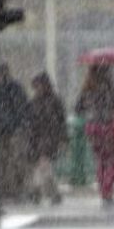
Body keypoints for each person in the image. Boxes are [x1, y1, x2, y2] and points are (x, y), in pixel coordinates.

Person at [74, 65, 114, 208]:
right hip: (108, 127)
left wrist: (91, 113)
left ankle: (103, 190)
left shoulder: (87, 89)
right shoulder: (109, 89)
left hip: (93, 129)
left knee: (100, 160)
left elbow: (77, 109)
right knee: (112, 160)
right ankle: (108, 190)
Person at [27, 72, 67, 204]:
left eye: (38, 85)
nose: (36, 89)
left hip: (49, 139)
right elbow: (31, 122)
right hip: (39, 139)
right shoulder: (35, 102)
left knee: (43, 165)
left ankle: (37, 191)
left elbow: (61, 121)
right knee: (43, 167)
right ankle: (50, 193)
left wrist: (62, 138)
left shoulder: (53, 101)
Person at [0, 63, 30, 199]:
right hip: (6, 130)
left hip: (12, 130)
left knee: (14, 161)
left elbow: (21, 109)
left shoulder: (12, 89)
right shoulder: (4, 90)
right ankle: (11, 189)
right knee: (7, 162)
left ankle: (15, 189)